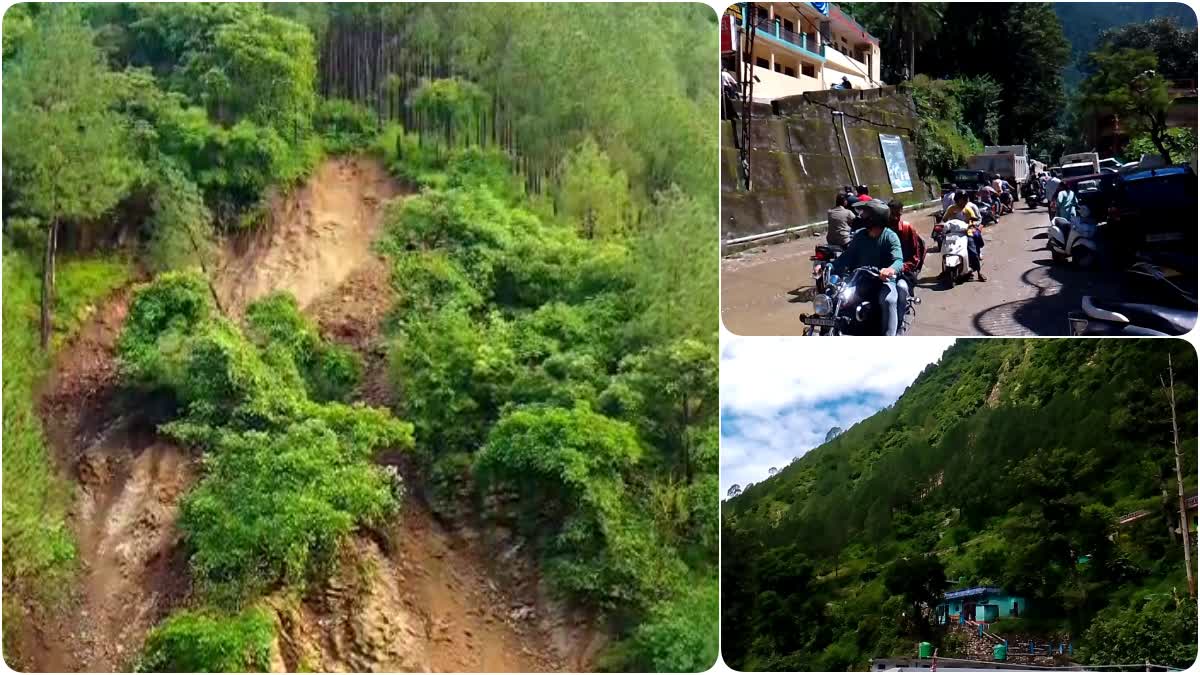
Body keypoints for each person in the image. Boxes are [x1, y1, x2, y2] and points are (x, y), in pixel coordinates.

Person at [828, 200, 906, 335]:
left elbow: (898, 260)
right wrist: (829, 266)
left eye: (865, 213)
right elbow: (846, 257)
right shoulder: (860, 236)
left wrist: (890, 270)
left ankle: (890, 335)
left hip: (883, 281)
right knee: (837, 297)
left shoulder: (890, 236)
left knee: (888, 299)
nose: (861, 216)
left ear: (875, 218)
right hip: (860, 279)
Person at [887, 198, 924, 313]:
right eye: (892, 214)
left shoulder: (907, 229)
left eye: (898, 214)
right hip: (883, 271)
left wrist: (901, 267)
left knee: (902, 289)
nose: (895, 218)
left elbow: (915, 256)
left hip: (903, 270)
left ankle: (902, 315)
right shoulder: (882, 229)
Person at [942, 191, 987, 281]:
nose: (964, 202)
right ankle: (944, 270)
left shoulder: (968, 209)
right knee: (944, 248)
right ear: (957, 200)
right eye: (962, 200)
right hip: (953, 233)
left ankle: (978, 272)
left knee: (972, 251)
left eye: (966, 200)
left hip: (966, 232)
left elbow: (975, 219)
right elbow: (945, 219)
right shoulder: (951, 209)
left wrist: (973, 224)